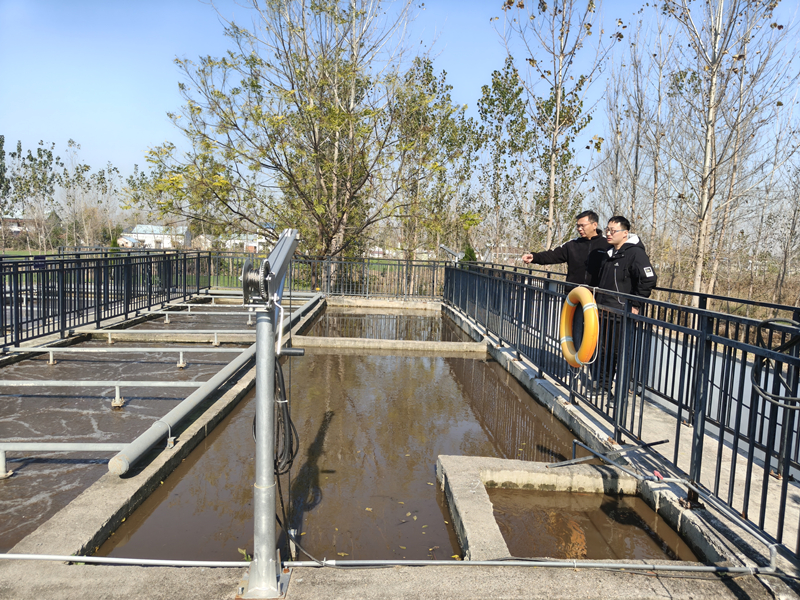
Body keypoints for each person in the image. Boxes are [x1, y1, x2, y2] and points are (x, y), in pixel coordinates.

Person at [595, 216, 657, 398]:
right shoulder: (609, 253)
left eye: (613, 230)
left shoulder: (635, 253)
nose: (608, 233)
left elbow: (649, 279)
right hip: (605, 309)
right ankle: (603, 387)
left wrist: (635, 304)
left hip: (622, 312)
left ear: (625, 233)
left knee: (619, 353)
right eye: (607, 229)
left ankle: (621, 393)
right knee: (604, 350)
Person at [521, 210, 610, 286]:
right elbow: (553, 255)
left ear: (594, 225)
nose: (579, 229)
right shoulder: (572, 244)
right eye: (578, 226)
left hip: (597, 296)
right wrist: (534, 257)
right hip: (573, 296)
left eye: (582, 225)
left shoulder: (608, 244)